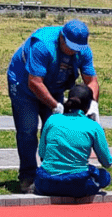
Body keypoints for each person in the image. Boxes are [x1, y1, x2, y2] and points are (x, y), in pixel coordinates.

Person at [7, 19, 99, 194]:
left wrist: (92, 105)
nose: (73, 51)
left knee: (56, 129)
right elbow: (34, 82)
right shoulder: (43, 45)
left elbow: (91, 80)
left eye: (77, 49)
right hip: (24, 86)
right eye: (70, 47)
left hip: (54, 83)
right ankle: (28, 176)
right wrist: (56, 106)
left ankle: (51, 173)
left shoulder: (82, 49)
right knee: (28, 129)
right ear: (62, 38)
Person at [35, 84, 112, 198]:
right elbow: (107, 162)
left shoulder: (52, 120)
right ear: (89, 105)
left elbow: (42, 153)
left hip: (46, 183)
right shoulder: (93, 126)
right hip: (77, 185)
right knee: (104, 176)